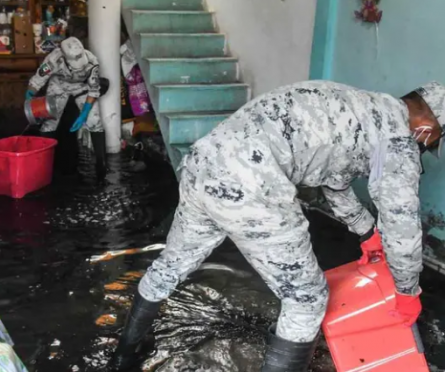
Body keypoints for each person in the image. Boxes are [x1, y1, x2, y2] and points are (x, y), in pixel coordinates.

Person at [110, 81, 445, 371]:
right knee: (307, 300)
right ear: (428, 125)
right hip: (252, 185)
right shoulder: (398, 140)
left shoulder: (360, 103)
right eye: (432, 142)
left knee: (173, 264)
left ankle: (125, 355)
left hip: (205, 165)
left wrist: (366, 233)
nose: (425, 149)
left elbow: (335, 181)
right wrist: (406, 291)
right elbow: (402, 225)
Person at [26, 37, 107, 179]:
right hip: (59, 85)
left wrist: (84, 114)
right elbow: (38, 79)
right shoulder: (52, 60)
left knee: (95, 121)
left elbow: (94, 90)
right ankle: (45, 165)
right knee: (49, 122)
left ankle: (101, 166)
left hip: (82, 87)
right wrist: (29, 97)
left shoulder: (92, 61)